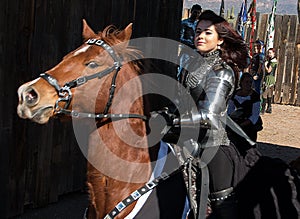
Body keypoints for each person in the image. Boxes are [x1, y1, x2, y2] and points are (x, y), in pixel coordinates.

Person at [176, 10, 249, 218]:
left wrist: (174, 120)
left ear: (220, 41)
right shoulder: (189, 65)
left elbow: (209, 116)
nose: (200, 36)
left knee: (221, 208)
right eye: (198, 31)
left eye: (207, 33)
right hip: (183, 140)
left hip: (212, 144)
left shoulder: (222, 71)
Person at [227, 73, 262, 145]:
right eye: (246, 82)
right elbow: (230, 110)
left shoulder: (255, 96)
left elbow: (255, 115)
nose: (248, 84)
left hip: (249, 124)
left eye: (250, 82)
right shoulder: (235, 94)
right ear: (241, 82)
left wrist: (243, 124)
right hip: (236, 121)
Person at [178, 4, 202, 78]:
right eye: (195, 12)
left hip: (197, 52)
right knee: (180, 70)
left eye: (198, 13)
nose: (196, 14)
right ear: (191, 12)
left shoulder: (199, 25)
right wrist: (190, 44)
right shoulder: (184, 23)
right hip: (186, 51)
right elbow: (180, 38)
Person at [262, 48, 277, 114]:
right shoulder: (274, 60)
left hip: (269, 78)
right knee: (269, 93)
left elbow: (269, 71)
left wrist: (265, 65)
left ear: (274, 53)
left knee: (265, 93)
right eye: (269, 53)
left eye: (270, 53)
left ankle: (263, 109)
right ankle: (269, 107)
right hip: (272, 78)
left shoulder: (272, 62)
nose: (269, 54)